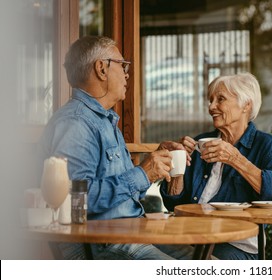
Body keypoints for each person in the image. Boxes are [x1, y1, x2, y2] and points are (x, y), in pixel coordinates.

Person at [38, 36, 194, 260]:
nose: (127, 73)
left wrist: (149, 170)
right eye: (123, 65)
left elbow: (123, 193)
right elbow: (76, 200)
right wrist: (142, 173)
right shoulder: (76, 123)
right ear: (102, 68)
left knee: (208, 263)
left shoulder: (104, 120)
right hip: (104, 245)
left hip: (132, 232)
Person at [160, 72, 272, 260]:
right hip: (193, 237)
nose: (211, 107)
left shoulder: (265, 144)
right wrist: (178, 167)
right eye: (210, 100)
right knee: (143, 250)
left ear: (246, 105)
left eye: (220, 99)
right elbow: (174, 205)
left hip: (237, 246)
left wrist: (235, 159)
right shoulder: (201, 142)